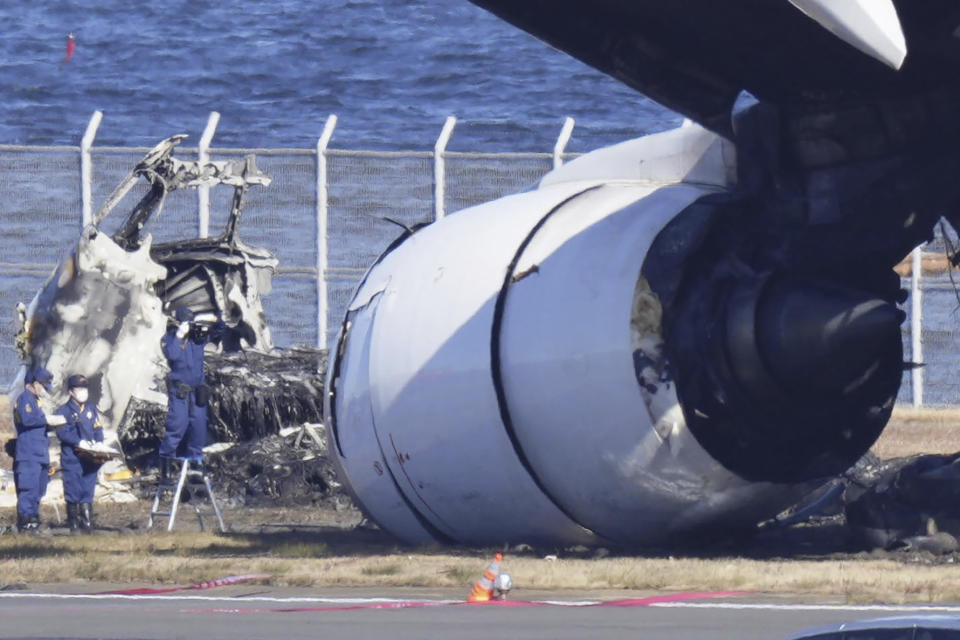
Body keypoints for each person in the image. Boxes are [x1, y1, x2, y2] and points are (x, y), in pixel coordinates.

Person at [159, 306, 222, 481]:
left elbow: (220, 331)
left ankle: (195, 464)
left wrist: (214, 319)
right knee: (177, 425)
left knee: (199, 426)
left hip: (197, 390)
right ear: (179, 322)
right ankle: (166, 465)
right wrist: (180, 335)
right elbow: (171, 354)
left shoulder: (198, 337)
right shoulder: (170, 338)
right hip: (179, 389)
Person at [13, 367, 67, 531]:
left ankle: (34, 520)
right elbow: (28, 421)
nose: (45, 389)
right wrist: (47, 420)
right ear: (35, 383)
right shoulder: (24, 400)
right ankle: (26, 522)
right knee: (28, 489)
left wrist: (52, 425)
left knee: (38, 489)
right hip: (28, 455)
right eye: (43, 385)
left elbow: (38, 425)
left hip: (40, 455)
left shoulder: (36, 401)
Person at [55, 374, 103, 531]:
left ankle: (87, 524)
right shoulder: (63, 411)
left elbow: (97, 428)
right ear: (70, 391)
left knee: (87, 490)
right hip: (73, 458)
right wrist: (78, 441)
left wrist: (99, 444)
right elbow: (63, 433)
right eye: (79, 388)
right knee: (73, 491)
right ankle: (74, 525)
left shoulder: (91, 408)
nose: (83, 391)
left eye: (85, 388)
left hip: (90, 458)